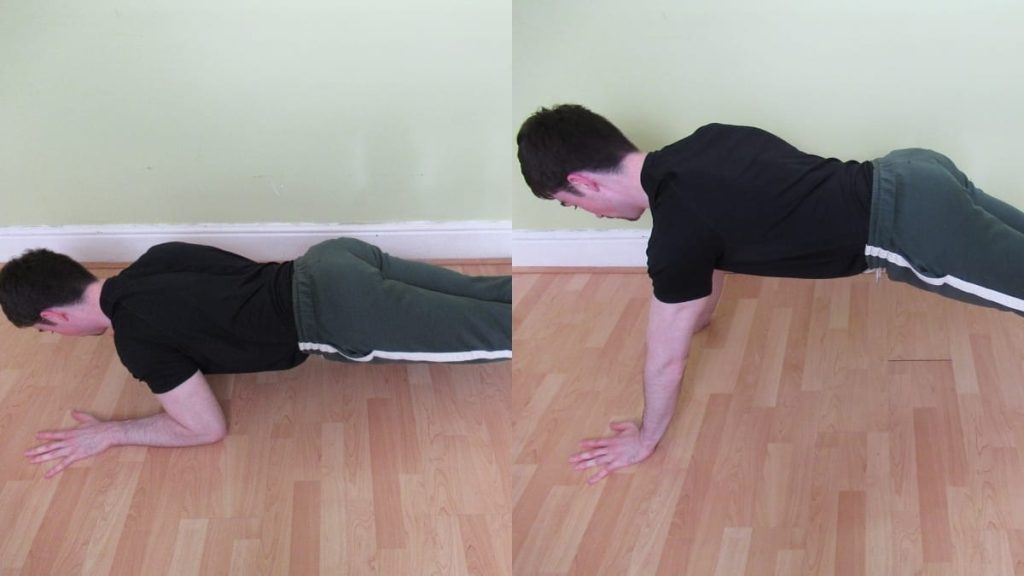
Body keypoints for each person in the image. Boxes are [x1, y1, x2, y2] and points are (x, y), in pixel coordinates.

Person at [516, 103, 1024, 484]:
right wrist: (701, 318)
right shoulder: (707, 141)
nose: (588, 216)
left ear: (583, 183)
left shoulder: (677, 234)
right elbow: (710, 263)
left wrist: (646, 438)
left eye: (571, 205)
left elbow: (664, 360)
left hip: (910, 224)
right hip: (913, 169)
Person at [0, 237, 512, 478]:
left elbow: (203, 428)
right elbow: (240, 284)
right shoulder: (158, 256)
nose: (56, 336)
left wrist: (111, 432)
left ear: (55, 316)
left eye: (46, 330)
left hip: (341, 314)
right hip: (332, 258)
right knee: (486, 294)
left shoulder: (138, 341)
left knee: (500, 333)